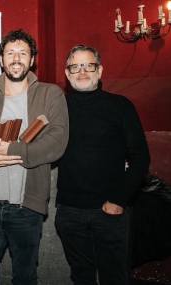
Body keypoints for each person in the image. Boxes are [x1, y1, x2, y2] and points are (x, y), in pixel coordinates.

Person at [0, 28, 69, 285]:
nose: (16, 58)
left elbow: (57, 142)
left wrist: (12, 150)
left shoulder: (50, 95)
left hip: (27, 207)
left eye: (23, 53)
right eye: (10, 53)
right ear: (0, 59)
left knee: (25, 278)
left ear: (32, 60)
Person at [54, 44, 150, 285]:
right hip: (69, 212)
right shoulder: (58, 108)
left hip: (109, 212)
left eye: (89, 65)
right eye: (75, 66)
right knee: (81, 278)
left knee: (115, 278)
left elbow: (141, 157)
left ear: (100, 70)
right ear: (67, 74)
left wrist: (118, 200)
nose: (82, 71)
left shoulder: (120, 106)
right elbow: (26, 94)